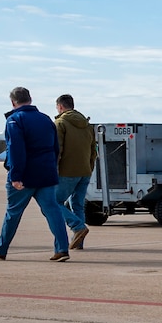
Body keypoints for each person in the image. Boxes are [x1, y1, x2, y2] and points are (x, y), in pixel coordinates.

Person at [0, 87, 72, 262]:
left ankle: (1, 248)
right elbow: (55, 148)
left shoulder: (14, 120)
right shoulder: (46, 119)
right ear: (30, 99)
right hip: (46, 174)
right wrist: (51, 169)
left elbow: (16, 150)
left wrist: (15, 176)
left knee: (13, 213)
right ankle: (62, 248)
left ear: (13, 102)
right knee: (52, 210)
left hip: (25, 176)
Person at [53, 93, 94, 250]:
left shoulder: (60, 123)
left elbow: (57, 149)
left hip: (67, 171)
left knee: (54, 203)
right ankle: (78, 242)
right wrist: (89, 167)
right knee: (77, 205)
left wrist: (54, 170)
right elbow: (93, 149)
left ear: (61, 106)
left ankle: (77, 227)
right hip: (85, 170)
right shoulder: (86, 124)